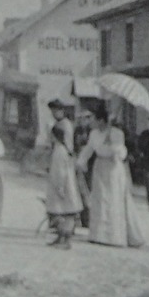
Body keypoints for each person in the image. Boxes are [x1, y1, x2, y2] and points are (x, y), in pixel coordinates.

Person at [77, 99, 145, 248]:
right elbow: (89, 149)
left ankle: (115, 236)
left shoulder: (116, 133)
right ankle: (99, 234)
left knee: (113, 200)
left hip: (113, 168)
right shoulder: (94, 133)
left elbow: (122, 152)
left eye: (93, 119)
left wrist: (114, 148)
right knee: (100, 199)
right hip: (100, 167)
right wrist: (81, 162)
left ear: (101, 120)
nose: (91, 122)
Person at [44, 98, 83, 247]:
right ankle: (60, 236)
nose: (54, 113)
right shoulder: (58, 126)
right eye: (52, 111)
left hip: (63, 175)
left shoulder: (65, 126)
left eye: (56, 110)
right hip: (61, 170)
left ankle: (65, 238)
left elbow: (68, 146)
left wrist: (60, 184)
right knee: (60, 206)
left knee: (64, 206)